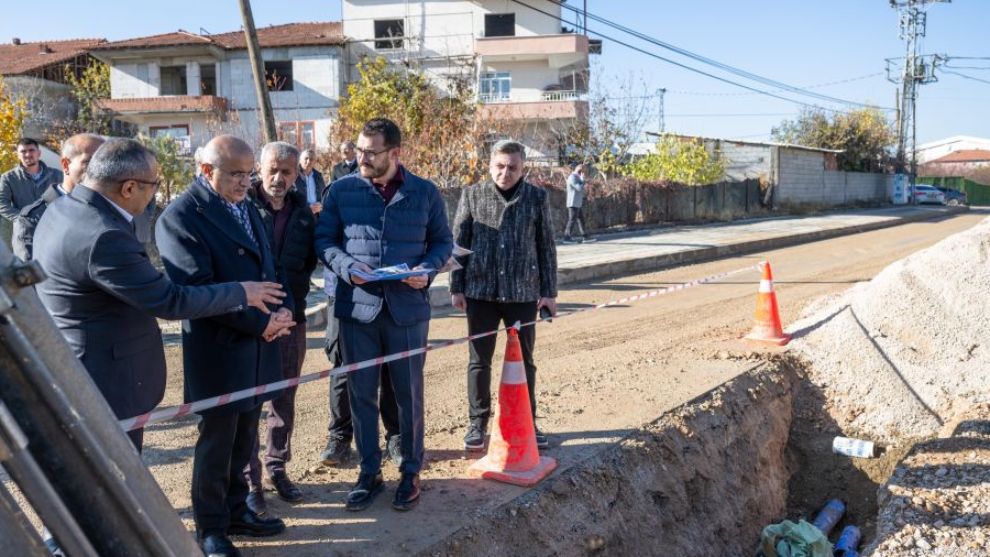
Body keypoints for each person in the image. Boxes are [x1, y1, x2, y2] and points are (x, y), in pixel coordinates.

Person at [33, 138, 286, 452]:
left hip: (82, 367)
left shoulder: (64, 209)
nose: (155, 194)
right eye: (153, 185)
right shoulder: (104, 234)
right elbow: (170, 300)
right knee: (116, 478)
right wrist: (240, 292)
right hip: (105, 381)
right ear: (129, 188)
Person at [157, 135, 295, 557]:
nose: (245, 181)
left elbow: (268, 269)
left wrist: (282, 313)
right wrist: (260, 324)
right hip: (220, 348)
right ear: (205, 171)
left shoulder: (247, 208)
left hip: (258, 346)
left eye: (248, 173)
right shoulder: (181, 217)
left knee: (244, 437)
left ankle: (238, 510)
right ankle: (211, 527)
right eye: (236, 173)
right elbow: (197, 290)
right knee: (216, 442)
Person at [314, 118, 452, 512]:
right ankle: (368, 473)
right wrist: (346, 267)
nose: (361, 158)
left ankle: (410, 471)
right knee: (361, 396)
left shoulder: (424, 193)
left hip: (407, 310)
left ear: (395, 153)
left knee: (409, 395)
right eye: (359, 150)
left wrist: (426, 269)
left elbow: (442, 241)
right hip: (357, 309)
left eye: (370, 152)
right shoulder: (341, 191)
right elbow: (324, 241)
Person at [450, 140, 558, 451]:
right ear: (490, 166)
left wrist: (548, 293)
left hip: (522, 293)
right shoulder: (473, 194)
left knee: (524, 362)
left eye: (512, 167)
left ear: (523, 168)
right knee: (479, 361)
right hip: (480, 293)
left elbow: (545, 246)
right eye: (500, 166)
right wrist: (457, 286)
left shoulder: (536, 198)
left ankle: (528, 421)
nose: (505, 173)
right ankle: (477, 423)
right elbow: (460, 242)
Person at [242, 141, 317, 516]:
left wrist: (292, 307)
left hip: (292, 320)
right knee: (248, 403)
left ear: (297, 173)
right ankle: (250, 481)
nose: (278, 178)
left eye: (286, 171)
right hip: (250, 321)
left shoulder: (303, 213)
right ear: (259, 167)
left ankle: (276, 467)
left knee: (283, 398)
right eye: (272, 169)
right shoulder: (242, 207)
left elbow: (305, 263)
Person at [14, 133, 104, 260]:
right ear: (66, 165)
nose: (100, 169)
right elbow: (29, 274)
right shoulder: (32, 219)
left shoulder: (113, 210)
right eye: (89, 162)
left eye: (104, 162)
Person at [0, 138, 63, 227]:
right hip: (25, 234)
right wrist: (23, 220)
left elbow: (68, 199)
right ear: (17, 155)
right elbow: (2, 205)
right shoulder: (8, 178)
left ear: (39, 153)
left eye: (31, 150)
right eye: (23, 151)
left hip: (53, 228)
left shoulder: (57, 175)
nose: (28, 154)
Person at [563, 163, 591, 243]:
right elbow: (579, 188)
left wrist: (582, 180)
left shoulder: (577, 177)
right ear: (579, 171)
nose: (584, 173)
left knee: (581, 220)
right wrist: (582, 180)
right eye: (583, 172)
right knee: (572, 220)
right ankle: (566, 238)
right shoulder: (572, 177)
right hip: (573, 203)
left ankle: (585, 236)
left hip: (577, 203)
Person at [297, 149, 326, 216]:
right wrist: (308, 208)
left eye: (311, 159)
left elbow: (324, 194)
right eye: (306, 158)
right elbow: (290, 196)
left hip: (317, 214)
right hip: (300, 215)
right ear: (300, 160)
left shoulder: (318, 176)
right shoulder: (294, 176)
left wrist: (320, 205)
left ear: (315, 162)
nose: (308, 161)